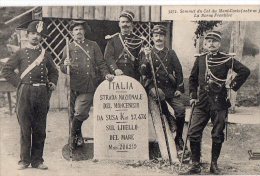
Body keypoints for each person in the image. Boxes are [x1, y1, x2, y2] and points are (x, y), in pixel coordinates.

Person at [185, 31, 250, 174]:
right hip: (201, 102)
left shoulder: (226, 59)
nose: (211, 44)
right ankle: (195, 164)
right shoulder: (201, 59)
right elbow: (192, 79)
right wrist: (193, 96)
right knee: (193, 132)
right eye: (208, 41)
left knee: (217, 134)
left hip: (219, 102)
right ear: (205, 44)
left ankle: (214, 165)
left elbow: (245, 71)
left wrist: (231, 86)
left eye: (214, 41)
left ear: (219, 44)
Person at [2, 20, 59, 170]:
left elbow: (54, 71)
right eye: (32, 33)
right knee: (25, 127)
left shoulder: (45, 54)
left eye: (38, 34)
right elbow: (6, 71)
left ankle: (38, 160)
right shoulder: (20, 53)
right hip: (25, 93)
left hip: (41, 92)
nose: (35, 36)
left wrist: (53, 82)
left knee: (40, 128)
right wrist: (19, 83)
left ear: (41, 37)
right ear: (27, 35)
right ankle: (24, 161)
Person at [60, 20, 114, 150]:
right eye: (75, 30)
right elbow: (62, 66)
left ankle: (72, 137)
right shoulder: (68, 47)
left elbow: (101, 63)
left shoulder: (93, 45)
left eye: (80, 29)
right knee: (72, 113)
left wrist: (106, 74)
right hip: (72, 85)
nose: (78, 32)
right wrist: (65, 65)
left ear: (84, 31)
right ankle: (79, 137)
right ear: (72, 33)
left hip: (88, 84)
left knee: (80, 112)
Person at [140, 25, 188, 157]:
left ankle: (178, 137)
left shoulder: (171, 53)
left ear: (165, 37)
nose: (158, 38)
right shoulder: (148, 52)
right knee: (158, 95)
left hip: (170, 88)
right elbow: (143, 71)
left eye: (161, 35)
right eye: (156, 36)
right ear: (152, 38)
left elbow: (178, 71)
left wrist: (179, 88)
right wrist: (145, 56)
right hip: (155, 87)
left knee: (181, 110)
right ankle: (168, 117)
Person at [104, 10, 144, 80]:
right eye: (123, 22)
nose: (125, 24)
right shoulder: (113, 39)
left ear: (131, 24)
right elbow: (108, 57)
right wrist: (115, 69)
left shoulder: (138, 40)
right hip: (116, 74)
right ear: (119, 24)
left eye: (127, 22)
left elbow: (141, 60)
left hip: (133, 75)